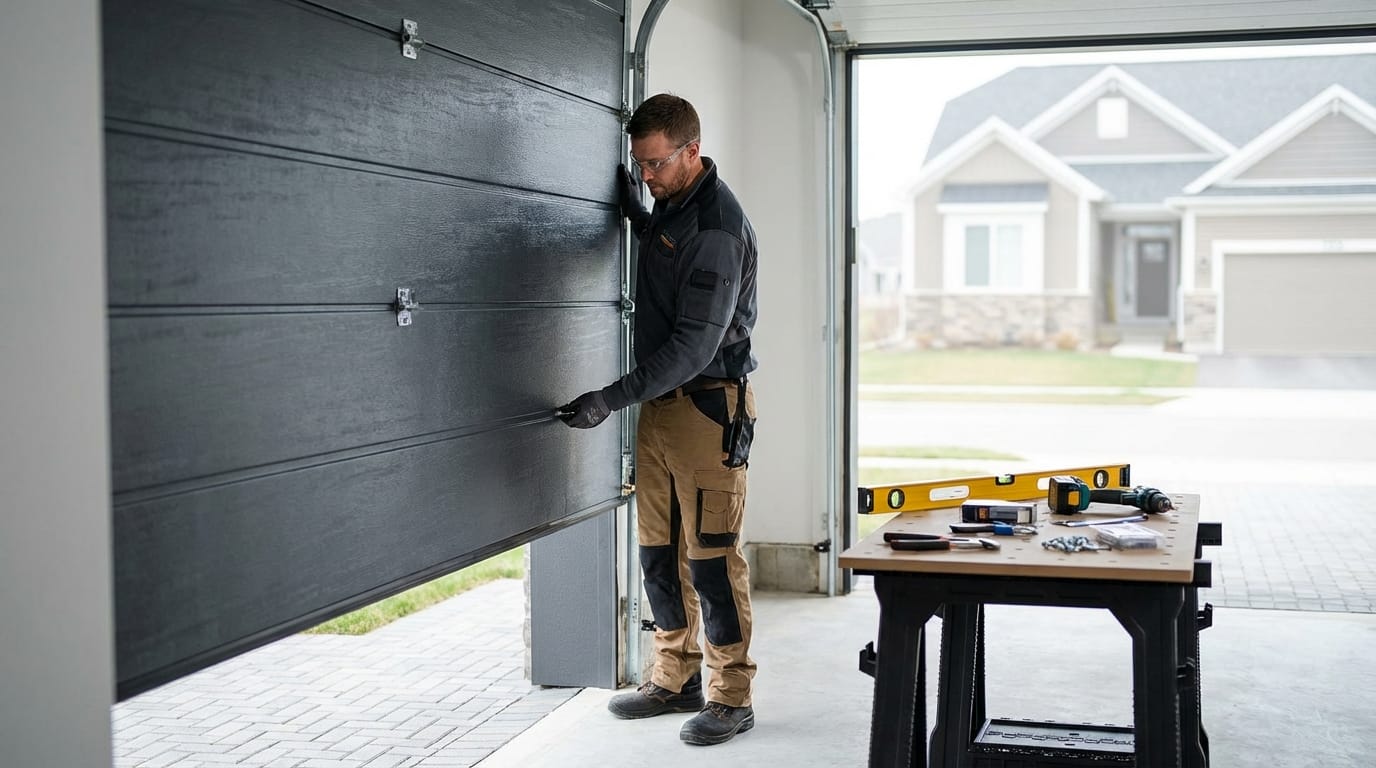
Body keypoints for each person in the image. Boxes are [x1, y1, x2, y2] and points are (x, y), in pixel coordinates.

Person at [558, 93, 759, 746]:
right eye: (639, 164)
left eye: (655, 164)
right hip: (661, 407)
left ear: (691, 151)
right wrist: (636, 216)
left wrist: (609, 398)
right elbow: (671, 254)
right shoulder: (675, 203)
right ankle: (675, 677)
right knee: (657, 551)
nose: (646, 175)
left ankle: (731, 695)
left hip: (706, 408)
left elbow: (694, 346)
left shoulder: (719, 228)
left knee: (711, 559)